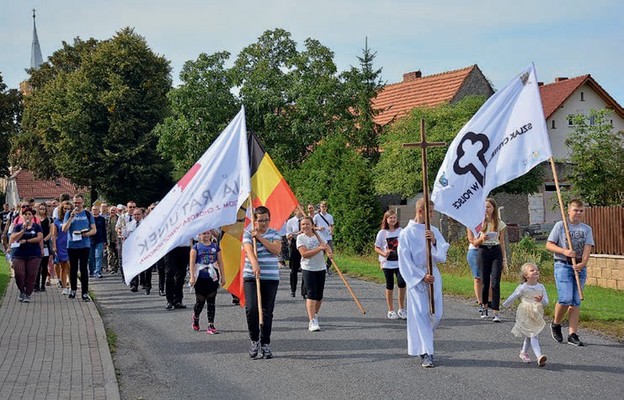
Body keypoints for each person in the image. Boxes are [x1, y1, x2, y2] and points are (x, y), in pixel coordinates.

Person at [398, 198, 449, 368]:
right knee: (421, 314)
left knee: (437, 314)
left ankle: (423, 342)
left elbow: (441, 255)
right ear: (421, 211)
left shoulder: (432, 230)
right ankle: (427, 353)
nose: (433, 215)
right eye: (431, 212)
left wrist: (434, 241)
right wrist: (420, 276)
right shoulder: (406, 233)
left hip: (433, 273)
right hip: (418, 276)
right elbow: (404, 260)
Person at [546, 199, 594, 347]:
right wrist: (564, 251)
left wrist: (582, 264)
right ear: (568, 211)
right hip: (563, 265)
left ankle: (572, 334)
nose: (578, 213)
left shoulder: (586, 229)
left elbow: (587, 248)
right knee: (565, 298)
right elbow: (549, 245)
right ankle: (556, 323)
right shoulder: (561, 226)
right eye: (575, 210)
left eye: (581, 210)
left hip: (579, 268)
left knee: (575, 301)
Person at [242, 206, 281, 359]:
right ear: (254, 220)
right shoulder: (247, 234)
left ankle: (265, 343)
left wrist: (260, 237)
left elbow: (276, 250)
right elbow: (249, 251)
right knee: (252, 309)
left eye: (266, 220)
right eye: (260, 220)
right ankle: (254, 341)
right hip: (252, 276)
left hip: (270, 277)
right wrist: (254, 263)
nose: (264, 223)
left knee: (267, 311)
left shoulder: (274, 233)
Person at [502, 263, 549, 367]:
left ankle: (523, 352)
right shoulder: (523, 287)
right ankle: (539, 356)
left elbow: (546, 302)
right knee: (533, 334)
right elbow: (513, 296)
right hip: (525, 313)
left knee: (530, 334)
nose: (536, 271)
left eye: (537, 270)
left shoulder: (541, 287)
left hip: (536, 313)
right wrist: (505, 304)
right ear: (526, 275)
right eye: (532, 270)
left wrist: (542, 300)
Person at [473, 197, 507, 322]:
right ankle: (484, 306)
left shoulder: (499, 223)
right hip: (483, 250)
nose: (486, 209)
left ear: (493, 208)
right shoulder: (479, 223)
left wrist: (504, 259)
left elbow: (502, 243)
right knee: (484, 280)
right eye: (485, 207)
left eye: (488, 207)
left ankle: (496, 311)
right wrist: (482, 238)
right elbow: (475, 242)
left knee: (495, 282)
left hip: (495, 250)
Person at [297, 216, 332, 332]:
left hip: (320, 267)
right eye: (303, 224)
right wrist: (319, 249)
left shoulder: (318, 235)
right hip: (308, 268)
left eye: (307, 224)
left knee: (319, 295)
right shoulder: (300, 238)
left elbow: (326, 246)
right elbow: (304, 254)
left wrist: (329, 253)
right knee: (311, 294)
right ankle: (312, 321)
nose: (305, 226)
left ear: (312, 225)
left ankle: (315, 314)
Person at [189, 230, 225, 334]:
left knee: (211, 301)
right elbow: (192, 264)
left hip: (212, 277)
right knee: (200, 301)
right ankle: (195, 317)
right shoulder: (196, 247)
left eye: (208, 233)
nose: (206, 235)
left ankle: (211, 324)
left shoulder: (215, 247)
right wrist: (192, 277)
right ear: (199, 235)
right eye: (203, 233)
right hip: (200, 277)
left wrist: (223, 276)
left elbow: (221, 262)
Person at [62, 194, 96, 301]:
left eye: (79, 202)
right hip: (72, 245)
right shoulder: (69, 213)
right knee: (73, 269)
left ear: (83, 202)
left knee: (83, 269)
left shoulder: (87, 214)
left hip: (84, 244)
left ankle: (85, 292)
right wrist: (71, 218)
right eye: (75, 202)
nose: (77, 204)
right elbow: (64, 229)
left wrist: (86, 234)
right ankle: (73, 290)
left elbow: (94, 230)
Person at [374, 209, 406, 320]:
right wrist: (384, 253)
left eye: (394, 217)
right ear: (386, 220)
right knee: (390, 285)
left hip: (399, 262)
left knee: (402, 283)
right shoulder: (382, 233)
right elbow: (376, 247)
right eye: (390, 218)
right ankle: (391, 310)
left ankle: (401, 309)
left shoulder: (401, 231)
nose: (392, 219)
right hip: (387, 263)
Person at [9, 206, 43, 303]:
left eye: (29, 214)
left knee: (31, 274)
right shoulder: (17, 226)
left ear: (32, 216)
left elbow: (39, 237)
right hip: (19, 253)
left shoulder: (37, 226)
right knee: (20, 274)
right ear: (22, 216)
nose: (27, 216)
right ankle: (21, 291)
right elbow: (14, 238)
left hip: (33, 253)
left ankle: (28, 293)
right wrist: (23, 230)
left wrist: (27, 241)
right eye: (25, 214)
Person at [51, 201, 72, 295]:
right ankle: (64, 287)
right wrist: (54, 246)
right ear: (61, 210)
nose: (67, 210)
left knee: (71, 267)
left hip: (71, 245)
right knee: (63, 267)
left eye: (69, 208)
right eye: (65, 208)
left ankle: (72, 286)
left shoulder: (73, 219)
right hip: (61, 245)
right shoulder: (57, 221)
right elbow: (54, 235)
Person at [34, 203, 52, 292]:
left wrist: (44, 240)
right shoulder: (35, 219)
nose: (42, 210)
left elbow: (51, 232)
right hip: (36, 243)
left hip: (45, 244)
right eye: (40, 209)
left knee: (44, 265)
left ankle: (43, 284)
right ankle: (36, 284)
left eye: (44, 209)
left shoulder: (49, 219)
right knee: (37, 265)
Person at [286, 208, 304, 298]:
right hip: (295, 243)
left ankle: (304, 291)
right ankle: (293, 289)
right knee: (294, 269)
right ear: (295, 211)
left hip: (305, 243)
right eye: (298, 210)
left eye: (302, 209)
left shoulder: (305, 220)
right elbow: (288, 235)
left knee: (305, 267)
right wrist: (296, 233)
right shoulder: (290, 221)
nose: (301, 211)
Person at [313, 200, 334, 273]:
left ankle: (327, 266)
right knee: (321, 253)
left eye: (325, 206)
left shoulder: (330, 216)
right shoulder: (316, 216)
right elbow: (312, 227)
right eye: (322, 206)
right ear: (320, 207)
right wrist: (318, 228)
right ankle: (320, 268)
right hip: (320, 238)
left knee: (331, 252)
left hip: (328, 237)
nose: (323, 208)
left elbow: (331, 225)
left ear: (326, 208)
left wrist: (331, 230)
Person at [88, 205, 107, 278]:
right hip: (90, 240)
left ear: (99, 210)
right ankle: (92, 271)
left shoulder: (102, 219)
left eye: (96, 209)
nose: (95, 211)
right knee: (91, 257)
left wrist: (105, 241)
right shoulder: (89, 218)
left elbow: (104, 230)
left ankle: (98, 271)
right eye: (93, 209)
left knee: (98, 256)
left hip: (100, 240)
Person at [106, 206, 120, 274]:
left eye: (114, 210)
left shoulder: (119, 219)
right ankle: (111, 267)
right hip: (109, 239)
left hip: (117, 240)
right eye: (111, 210)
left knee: (117, 254)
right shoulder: (107, 219)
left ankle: (116, 267)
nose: (112, 212)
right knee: (110, 254)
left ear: (116, 211)